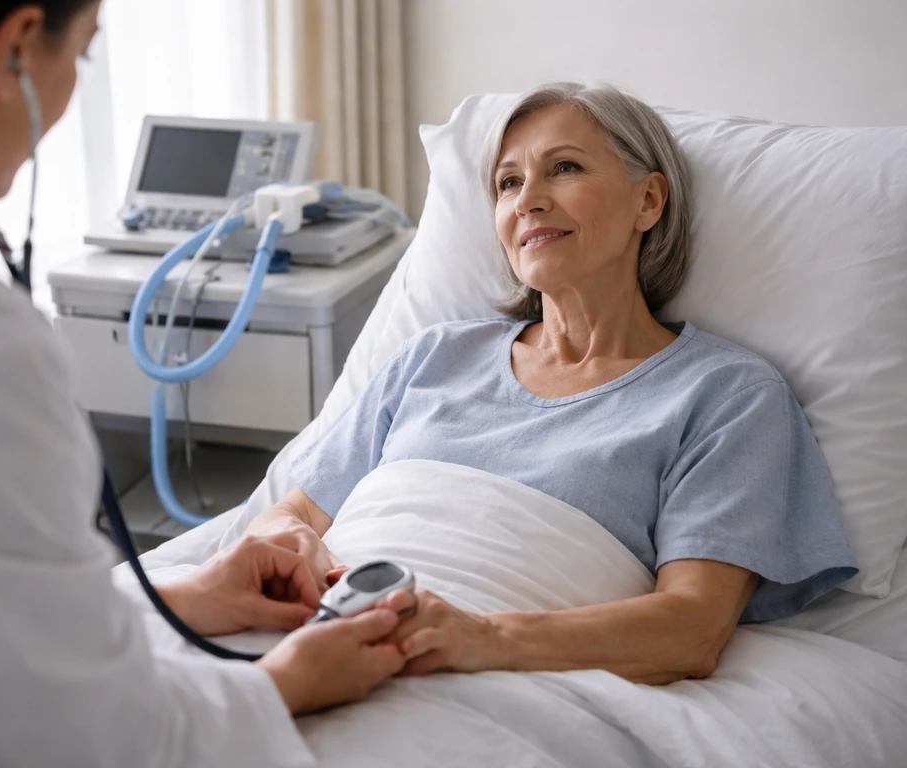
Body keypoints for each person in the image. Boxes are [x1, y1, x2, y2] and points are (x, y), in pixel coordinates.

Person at [0, 2, 414, 766]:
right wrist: (285, 683)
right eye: (86, 56)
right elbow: (99, 742)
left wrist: (181, 595)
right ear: (14, 51)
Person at [247, 82, 859, 684]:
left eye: (563, 168)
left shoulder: (728, 395)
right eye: (508, 182)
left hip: (492, 676)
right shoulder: (435, 356)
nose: (527, 200)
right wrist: (288, 546)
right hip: (316, 634)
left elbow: (691, 630)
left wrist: (479, 637)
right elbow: (292, 512)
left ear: (648, 201)